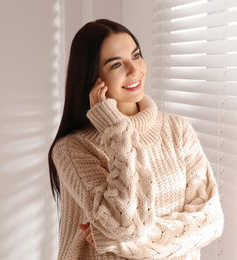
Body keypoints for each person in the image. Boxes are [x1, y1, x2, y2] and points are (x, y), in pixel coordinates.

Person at [48, 19, 224, 260]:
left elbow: (211, 221)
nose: (134, 71)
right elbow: (126, 224)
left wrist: (117, 242)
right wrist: (116, 129)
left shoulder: (178, 130)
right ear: (92, 77)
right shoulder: (72, 149)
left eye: (136, 56)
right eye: (116, 64)